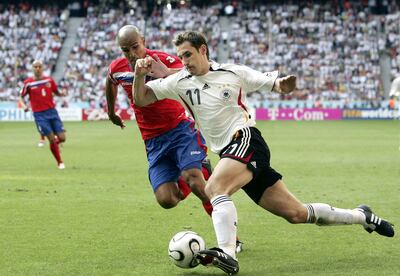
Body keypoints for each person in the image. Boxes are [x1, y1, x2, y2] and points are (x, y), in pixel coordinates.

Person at [133, 31, 395, 275]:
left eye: (187, 54)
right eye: (180, 56)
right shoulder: (180, 82)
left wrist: (285, 84)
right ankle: (363, 216)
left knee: (214, 188)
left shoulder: (232, 72)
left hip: (246, 140)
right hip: (230, 154)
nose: (183, 61)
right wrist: (138, 74)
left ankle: (227, 252)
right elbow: (142, 99)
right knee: (297, 214)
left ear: (203, 50)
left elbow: (274, 84)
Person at [106, 25, 242, 253]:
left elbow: (193, 72)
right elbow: (110, 81)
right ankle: (201, 168)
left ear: (143, 40)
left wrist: (164, 73)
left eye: (135, 47)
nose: (131, 53)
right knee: (167, 199)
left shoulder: (162, 60)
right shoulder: (117, 68)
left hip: (180, 130)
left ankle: (231, 240)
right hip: (153, 141)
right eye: (125, 50)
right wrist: (111, 112)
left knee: (196, 182)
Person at [20, 60, 66, 169]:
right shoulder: (28, 83)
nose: (37, 68)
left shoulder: (49, 80)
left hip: (52, 112)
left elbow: (56, 92)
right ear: (32, 68)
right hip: (39, 115)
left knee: (62, 138)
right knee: (51, 139)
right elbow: (21, 97)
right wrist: (24, 106)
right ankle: (60, 162)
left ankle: (55, 144)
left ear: (43, 68)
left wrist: (62, 94)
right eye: (35, 66)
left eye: (39, 66)